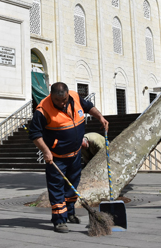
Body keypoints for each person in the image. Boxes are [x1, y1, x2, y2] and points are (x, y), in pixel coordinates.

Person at [29, 82, 109, 233]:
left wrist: (100, 117)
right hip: (57, 158)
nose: (61, 103)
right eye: (57, 100)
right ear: (51, 95)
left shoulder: (75, 96)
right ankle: (59, 220)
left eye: (64, 100)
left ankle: (70, 213)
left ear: (67, 94)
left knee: (73, 185)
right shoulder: (42, 110)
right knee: (57, 189)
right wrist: (46, 151)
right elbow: (34, 134)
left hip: (75, 154)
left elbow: (88, 106)